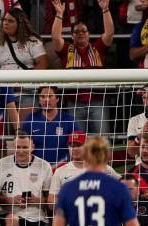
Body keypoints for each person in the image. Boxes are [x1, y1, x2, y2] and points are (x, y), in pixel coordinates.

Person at [50, 0, 113, 135]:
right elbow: (55, 37)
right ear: (72, 36)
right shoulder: (66, 50)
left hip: (98, 103)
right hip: (75, 103)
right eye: (77, 31)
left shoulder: (98, 48)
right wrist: (59, 14)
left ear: (89, 34)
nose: (80, 33)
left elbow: (109, 33)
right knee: (77, 143)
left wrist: (105, 10)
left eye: (84, 31)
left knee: (103, 140)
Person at [0, 131, 52, 226]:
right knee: (12, 219)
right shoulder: (1, 164)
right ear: (13, 147)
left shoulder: (44, 166)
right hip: (10, 214)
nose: (20, 151)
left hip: (36, 217)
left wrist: (37, 200)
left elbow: (50, 200)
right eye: (17, 147)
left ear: (32, 147)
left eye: (24, 147)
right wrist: (10, 200)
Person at [48, 131, 119, 208]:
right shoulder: (60, 171)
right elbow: (51, 203)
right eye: (71, 146)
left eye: (78, 145)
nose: (74, 148)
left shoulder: (103, 168)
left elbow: (122, 186)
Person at [21, 85, 82, 165]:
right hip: (37, 168)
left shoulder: (69, 120)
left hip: (62, 168)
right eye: (43, 97)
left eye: (50, 96)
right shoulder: (31, 119)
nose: (46, 100)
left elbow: (78, 145)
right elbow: (22, 144)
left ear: (57, 99)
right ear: (39, 100)